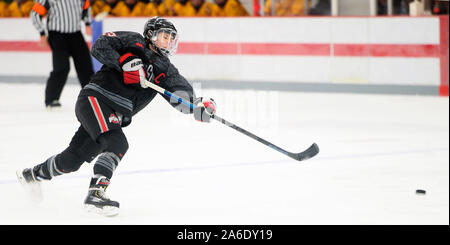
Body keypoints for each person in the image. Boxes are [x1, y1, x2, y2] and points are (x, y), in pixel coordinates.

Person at [16, 16, 217, 217]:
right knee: (117, 143)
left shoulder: (165, 68)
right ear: (151, 35)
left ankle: (32, 175)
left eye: (171, 38)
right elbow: (100, 46)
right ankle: (96, 194)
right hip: (96, 99)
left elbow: (180, 93)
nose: (169, 42)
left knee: (72, 160)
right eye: (165, 36)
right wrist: (123, 61)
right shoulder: (134, 41)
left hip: (113, 113)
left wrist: (198, 106)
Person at [30, 0, 94, 109]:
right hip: (57, 34)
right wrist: (42, 33)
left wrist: (87, 23)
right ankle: (52, 99)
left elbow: (86, 7)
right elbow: (35, 14)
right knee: (61, 67)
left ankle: (92, 96)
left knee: (85, 67)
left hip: (75, 33)